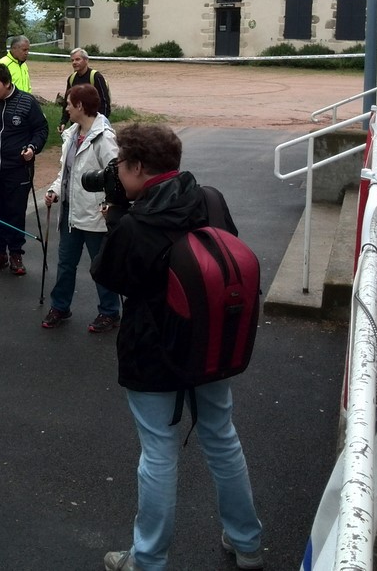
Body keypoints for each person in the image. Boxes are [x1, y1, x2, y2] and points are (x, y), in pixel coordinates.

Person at [92, 123, 264, 571]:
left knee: (159, 453)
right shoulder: (209, 198)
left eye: (121, 168)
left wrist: (115, 218)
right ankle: (247, 543)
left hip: (154, 353)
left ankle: (147, 560)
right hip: (210, 344)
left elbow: (110, 277)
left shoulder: (137, 222)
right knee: (222, 439)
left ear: (136, 167)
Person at [43, 84, 121, 333]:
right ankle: (60, 306)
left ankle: (109, 312)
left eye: (68, 103)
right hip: (70, 213)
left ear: (79, 106)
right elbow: (66, 173)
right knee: (65, 264)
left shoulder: (104, 138)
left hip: (95, 215)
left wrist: (109, 205)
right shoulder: (71, 134)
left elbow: (115, 176)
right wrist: (55, 190)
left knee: (100, 266)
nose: (65, 107)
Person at [0, 62, 48, 275]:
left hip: (17, 167)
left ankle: (15, 253)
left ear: (6, 83)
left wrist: (33, 148)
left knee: (14, 210)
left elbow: (41, 129)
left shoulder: (26, 102)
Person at [58, 47, 111, 131]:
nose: (74, 62)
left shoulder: (96, 77)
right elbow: (67, 102)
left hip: (94, 124)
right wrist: (63, 121)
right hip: (77, 125)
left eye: (77, 59)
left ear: (86, 60)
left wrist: (100, 123)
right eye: (72, 60)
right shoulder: (71, 79)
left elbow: (104, 102)